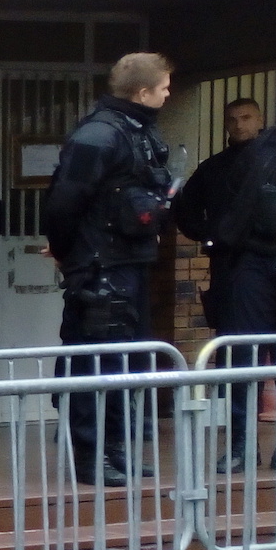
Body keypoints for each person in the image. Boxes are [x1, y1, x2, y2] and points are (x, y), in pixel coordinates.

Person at [43, 52, 177, 487]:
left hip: (128, 263)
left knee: (127, 362)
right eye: (164, 87)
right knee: (93, 363)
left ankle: (115, 449)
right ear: (143, 92)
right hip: (100, 267)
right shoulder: (98, 136)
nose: (169, 93)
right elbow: (65, 200)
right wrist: (67, 253)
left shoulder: (135, 130)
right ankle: (90, 455)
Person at [216, 75, 276, 468]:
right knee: (244, 350)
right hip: (255, 255)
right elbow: (240, 195)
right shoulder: (271, 141)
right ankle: (241, 444)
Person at [175, 96, 276, 471]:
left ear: (260, 119)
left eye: (246, 117)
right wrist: (212, 235)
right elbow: (184, 209)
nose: (239, 124)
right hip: (233, 269)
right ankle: (240, 444)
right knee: (237, 357)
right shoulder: (213, 169)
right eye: (232, 119)